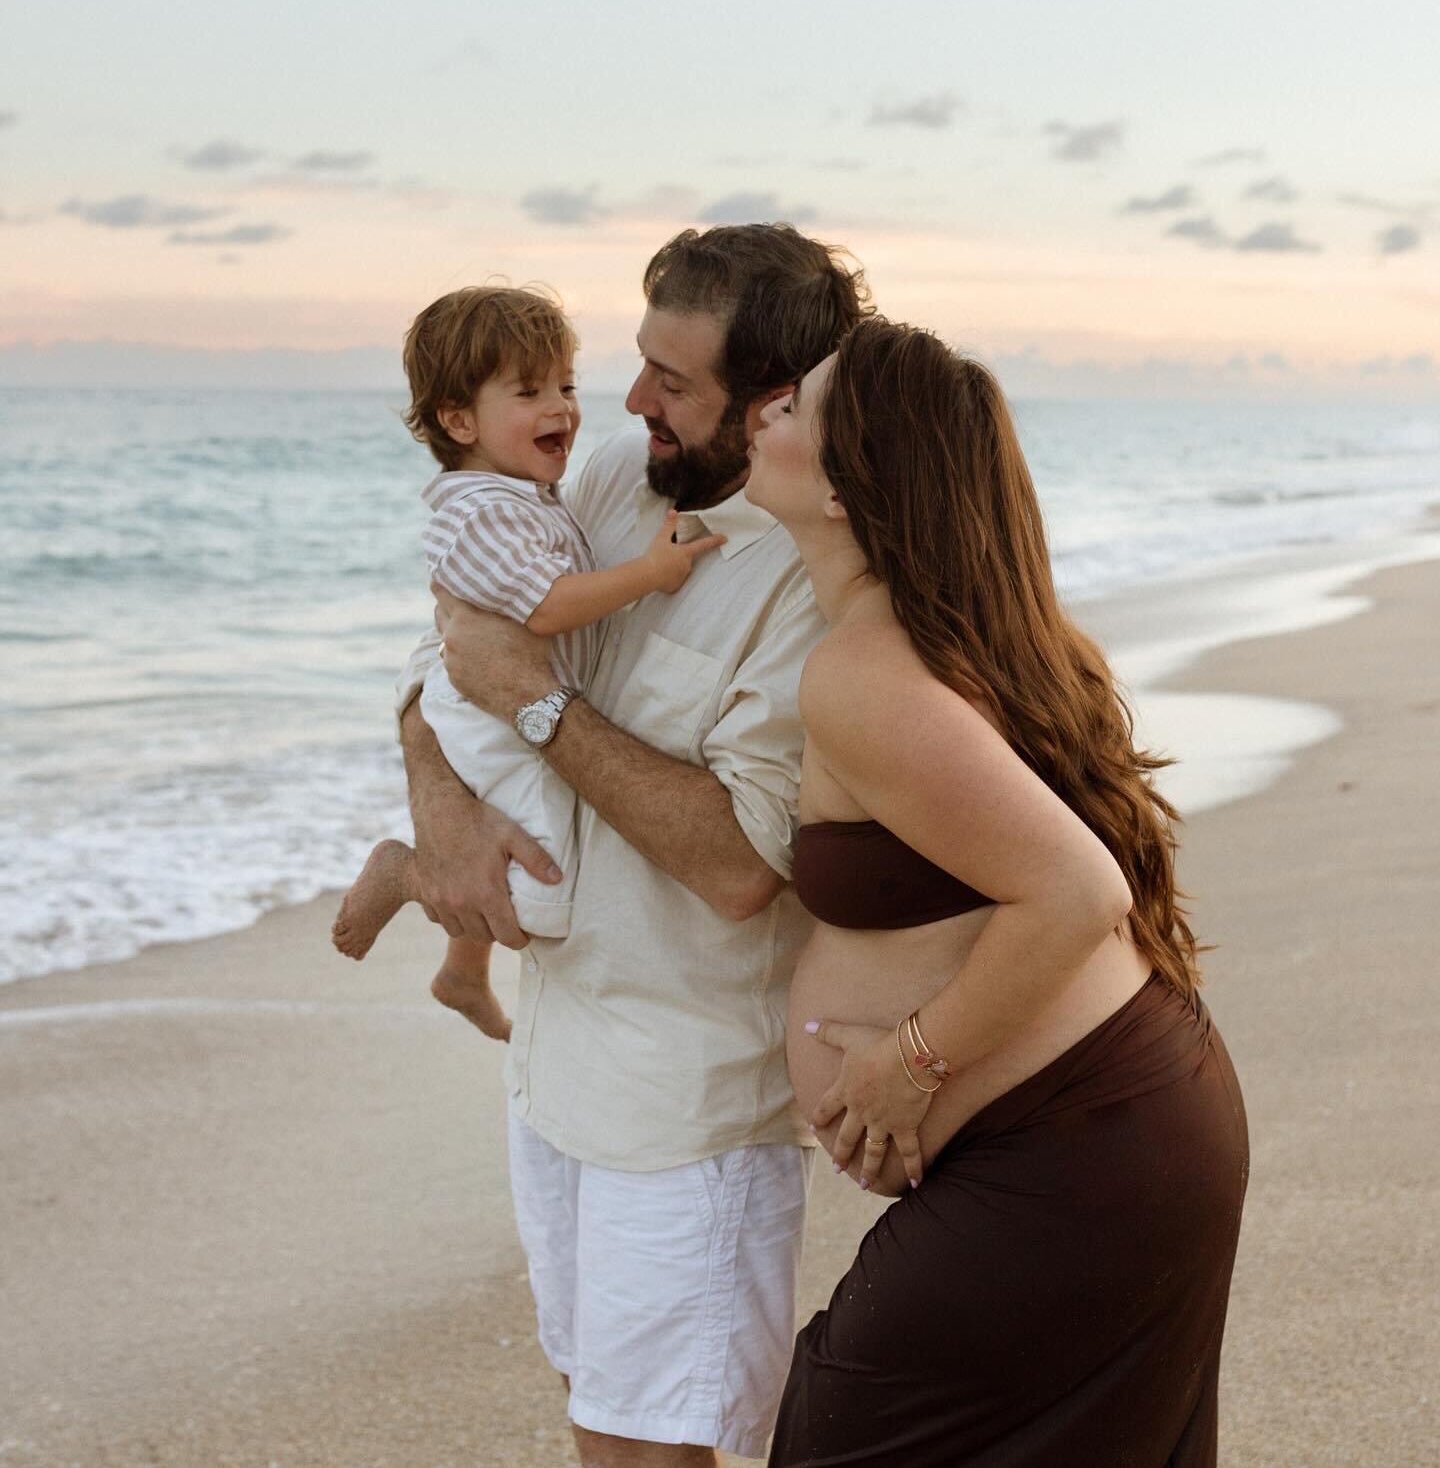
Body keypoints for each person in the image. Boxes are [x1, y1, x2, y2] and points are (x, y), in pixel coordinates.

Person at [397, 226, 872, 1465]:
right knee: (591, 1408)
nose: (626, 399)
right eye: (640, 360)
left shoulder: (813, 580)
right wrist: (443, 815)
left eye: (674, 381)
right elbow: (441, 658)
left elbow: (737, 867)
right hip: (552, 1072)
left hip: (688, 1110)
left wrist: (538, 704)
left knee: (649, 1451)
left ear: (774, 400)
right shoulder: (603, 477)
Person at [744, 319, 1249, 1467]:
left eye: (796, 406)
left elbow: (1078, 890)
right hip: (1118, 1137)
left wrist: (904, 1064)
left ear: (847, 484)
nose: (767, 412)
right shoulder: (934, 640)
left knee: (837, 1428)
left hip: (1085, 1154)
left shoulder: (869, 673)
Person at [331, 284, 723, 1041]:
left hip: (502, 706)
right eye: (529, 391)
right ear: (458, 419)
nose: (562, 408)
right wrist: (651, 574)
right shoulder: (483, 513)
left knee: (507, 837)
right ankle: (405, 874)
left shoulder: (528, 496)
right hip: (488, 715)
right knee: (541, 891)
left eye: (567, 386)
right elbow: (544, 607)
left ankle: (461, 973)